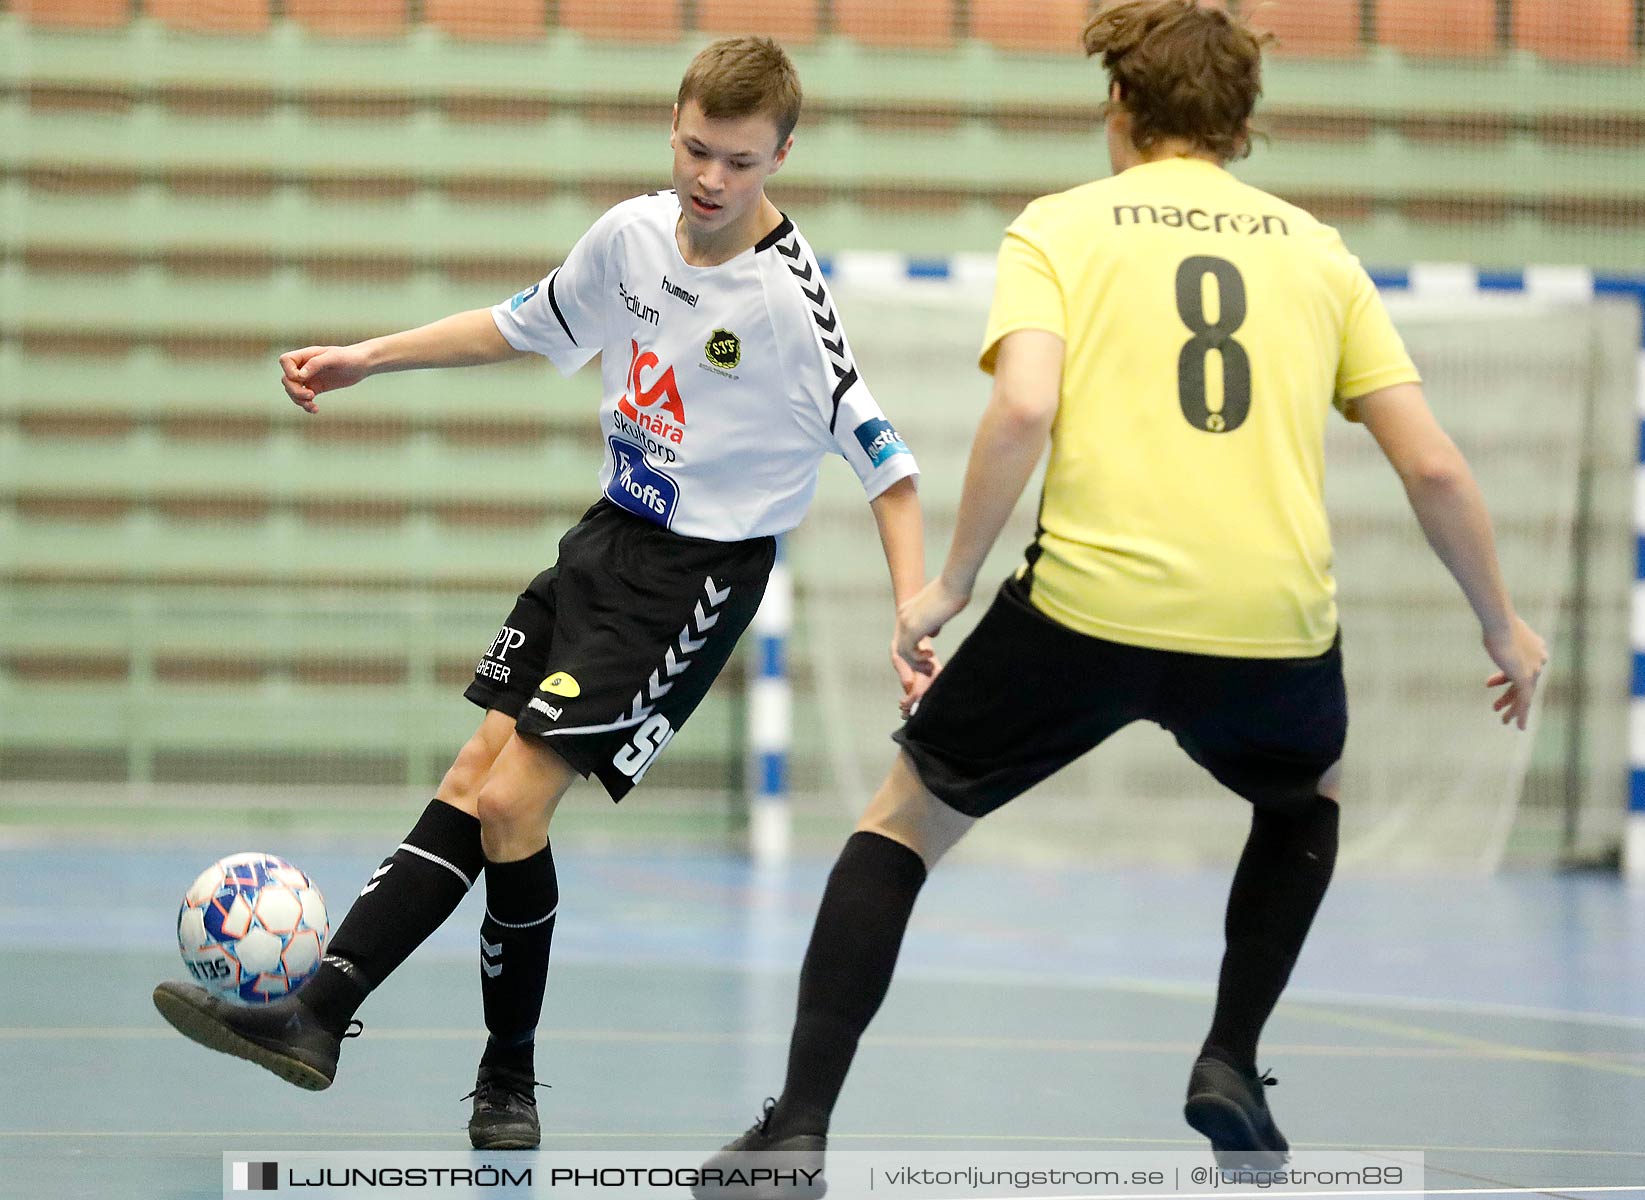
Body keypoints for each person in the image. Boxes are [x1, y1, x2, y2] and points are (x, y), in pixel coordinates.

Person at [699, 0, 1548, 1191]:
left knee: (901, 822)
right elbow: (1432, 462)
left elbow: (1026, 408)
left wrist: (950, 583)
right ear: (1240, 121)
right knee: (1305, 798)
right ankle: (1229, 1060)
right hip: (1271, 625)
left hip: (1085, 611)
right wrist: (1500, 621)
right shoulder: (1316, 251)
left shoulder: (1060, 228)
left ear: (1118, 106)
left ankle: (797, 1128)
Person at [151, 35, 934, 1152]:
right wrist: (367, 357)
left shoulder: (788, 309)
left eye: (742, 162)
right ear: (675, 125)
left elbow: (889, 470)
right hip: (606, 538)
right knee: (476, 775)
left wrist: (913, 606)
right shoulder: (628, 236)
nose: (713, 180)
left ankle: (503, 1077)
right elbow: (523, 325)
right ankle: (314, 1014)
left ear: (782, 157)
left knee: (514, 803)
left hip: (695, 581)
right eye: (698, 149)